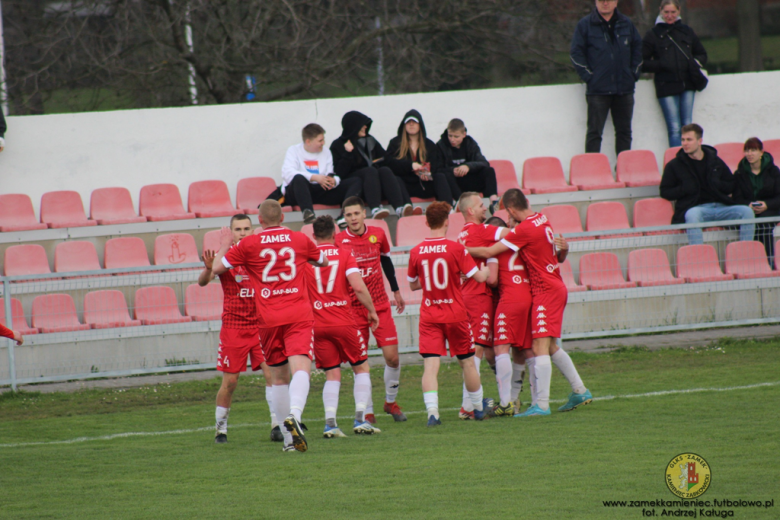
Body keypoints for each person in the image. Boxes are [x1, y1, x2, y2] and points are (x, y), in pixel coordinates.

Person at [212, 200, 328, 453]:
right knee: (301, 369)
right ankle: (294, 416)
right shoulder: (299, 239)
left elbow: (217, 268)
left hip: (266, 319)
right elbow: (323, 261)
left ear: (260, 221)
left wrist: (223, 246)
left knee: (277, 378)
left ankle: (289, 442)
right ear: (283, 217)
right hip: (297, 313)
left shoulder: (248, 244)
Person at [468, 189, 592, 417]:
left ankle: (541, 405)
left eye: (508, 213)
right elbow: (556, 256)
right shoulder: (543, 218)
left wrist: (459, 250)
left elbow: (488, 250)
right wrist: (565, 250)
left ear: (512, 210)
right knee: (550, 346)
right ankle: (579, 390)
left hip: (545, 291)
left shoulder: (524, 229)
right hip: (550, 287)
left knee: (537, 348)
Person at [406, 201, 492, 426]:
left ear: (426, 222)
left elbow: (414, 285)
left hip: (430, 315)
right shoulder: (456, 248)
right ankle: (478, 408)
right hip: (455, 313)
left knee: (430, 366)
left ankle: (433, 413)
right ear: (447, 221)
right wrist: (484, 269)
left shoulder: (416, 252)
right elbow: (481, 278)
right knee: (468, 363)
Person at [198, 214, 278, 444]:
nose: (242, 233)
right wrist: (208, 267)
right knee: (230, 382)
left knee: (272, 373)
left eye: (246, 228)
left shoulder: (260, 255)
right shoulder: (226, 256)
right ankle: (220, 429)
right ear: (231, 233)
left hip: (261, 325)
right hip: (234, 328)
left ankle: (276, 425)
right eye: (237, 229)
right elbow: (205, 280)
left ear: (253, 230)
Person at [305, 215, 382, 437]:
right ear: (335, 235)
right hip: (344, 321)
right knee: (361, 368)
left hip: (318, 324)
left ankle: (330, 425)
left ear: (314, 236)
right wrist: (372, 310)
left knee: (332, 374)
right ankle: (360, 420)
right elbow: (358, 286)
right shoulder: (344, 254)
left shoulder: (306, 259)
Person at [335, 196, 408, 423]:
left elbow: (386, 261)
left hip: (380, 304)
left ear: (364, 213)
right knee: (360, 362)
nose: (353, 218)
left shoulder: (379, 233)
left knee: (393, 358)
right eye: (348, 215)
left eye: (356, 213)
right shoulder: (338, 240)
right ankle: (367, 411)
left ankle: (390, 402)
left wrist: (396, 291)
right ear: (344, 218)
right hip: (353, 309)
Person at [660, 124, 754, 245]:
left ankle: (745, 255)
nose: (685, 143)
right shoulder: (674, 165)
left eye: (689, 139)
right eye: (683, 140)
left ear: (700, 141)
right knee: (692, 215)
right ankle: (699, 259)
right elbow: (665, 191)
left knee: (747, 212)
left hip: (721, 206)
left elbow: (731, 184)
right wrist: (684, 189)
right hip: (697, 208)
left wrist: (718, 184)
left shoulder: (715, 160)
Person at [570, 0, 643, 156]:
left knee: (624, 133)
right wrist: (589, 77)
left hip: (624, 89)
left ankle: (623, 171)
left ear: (616, 2)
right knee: (594, 133)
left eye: (608, 0)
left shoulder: (626, 23)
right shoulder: (585, 25)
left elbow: (638, 48)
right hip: (598, 90)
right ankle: (592, 173)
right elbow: (576, 53)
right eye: (601, 0)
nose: (605, 3)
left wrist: (633, 74)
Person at [454, 192, 502, 420]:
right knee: (476, 351)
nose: (485, 208)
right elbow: (512, 234)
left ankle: (470, 404)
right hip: (477, 297)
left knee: (472, 351)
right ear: (470, 211)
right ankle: (468, 406)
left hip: (465, 296)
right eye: (481, 205)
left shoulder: (461, 234)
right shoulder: (478, 230)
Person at [642, 0, 708, 148]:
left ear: (678, 11)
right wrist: (662, 65)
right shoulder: (653, 34)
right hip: (666, 85)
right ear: (660, 11)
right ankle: (676, 164)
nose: (669, 16)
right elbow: (641, 62)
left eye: (672, 12)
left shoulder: (686, 31)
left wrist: (694, 63)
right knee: (674, 128)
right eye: (666, 12)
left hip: (687, 84)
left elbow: (702, 54)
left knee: (687, 126)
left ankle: (689, 160)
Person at [330, 111, 415, 219]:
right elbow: (339, 174)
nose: (365, 126)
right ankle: (375, 208)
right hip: (357, 188)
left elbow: (388, 160)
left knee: (385, 170)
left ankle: (399, 208)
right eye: (362, 124)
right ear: (354, 126)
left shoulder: (370, 141)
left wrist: (411, 166)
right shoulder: (338, 144)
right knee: (370, 171)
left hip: (373, 186)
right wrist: (348, 153)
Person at [281, 123, 363, 225]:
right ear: (308, 141)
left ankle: (344, 215)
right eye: (320, 141)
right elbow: (287, 173)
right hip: (299, 193)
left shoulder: (326, 152)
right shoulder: (293, 150)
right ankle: (308, 215)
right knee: (298, 178)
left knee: (355, 181)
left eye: (323, 139)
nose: (323, 143)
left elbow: (331, 173)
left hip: (321, 190)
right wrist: (314, 177)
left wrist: (333, 180)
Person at [385, 110, 453, 205]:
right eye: (408, 122)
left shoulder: (429, 145)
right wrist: (411, 166)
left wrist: (426, 173)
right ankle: (406, 209)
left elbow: (436, 166)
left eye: (414, 122)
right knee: (396, 180)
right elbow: (389, 163)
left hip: (424, 185)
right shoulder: (395, 143)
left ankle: (448, 208)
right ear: (404, 125)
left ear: (420, 125)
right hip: (405, 185)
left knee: (440, 177)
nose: (411, 124)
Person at [733, 137, 780, 262]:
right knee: (750, 220)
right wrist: (748, 205)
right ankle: (751, 261)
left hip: (770, 208)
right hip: (749, 210)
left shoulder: (774, 171)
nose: (749, 154)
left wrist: (767, 204)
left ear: (761, 152)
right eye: (747, 150)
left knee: (764, 223)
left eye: (753, 150)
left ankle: (768, 261)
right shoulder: (739, 173)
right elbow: (737, 198)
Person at [437, 119, 499, 214]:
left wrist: (467, 166)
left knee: (489, 170)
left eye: (456, 136)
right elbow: (438, 169)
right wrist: (453, 170)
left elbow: (484, 162)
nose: (452, 139)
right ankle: (460, 203)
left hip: (469, 179)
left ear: (464, 134)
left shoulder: (470, 143)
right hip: (454, 183)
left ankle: (494, 202)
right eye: (450, 136)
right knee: (445, 176)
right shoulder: (441, 145)